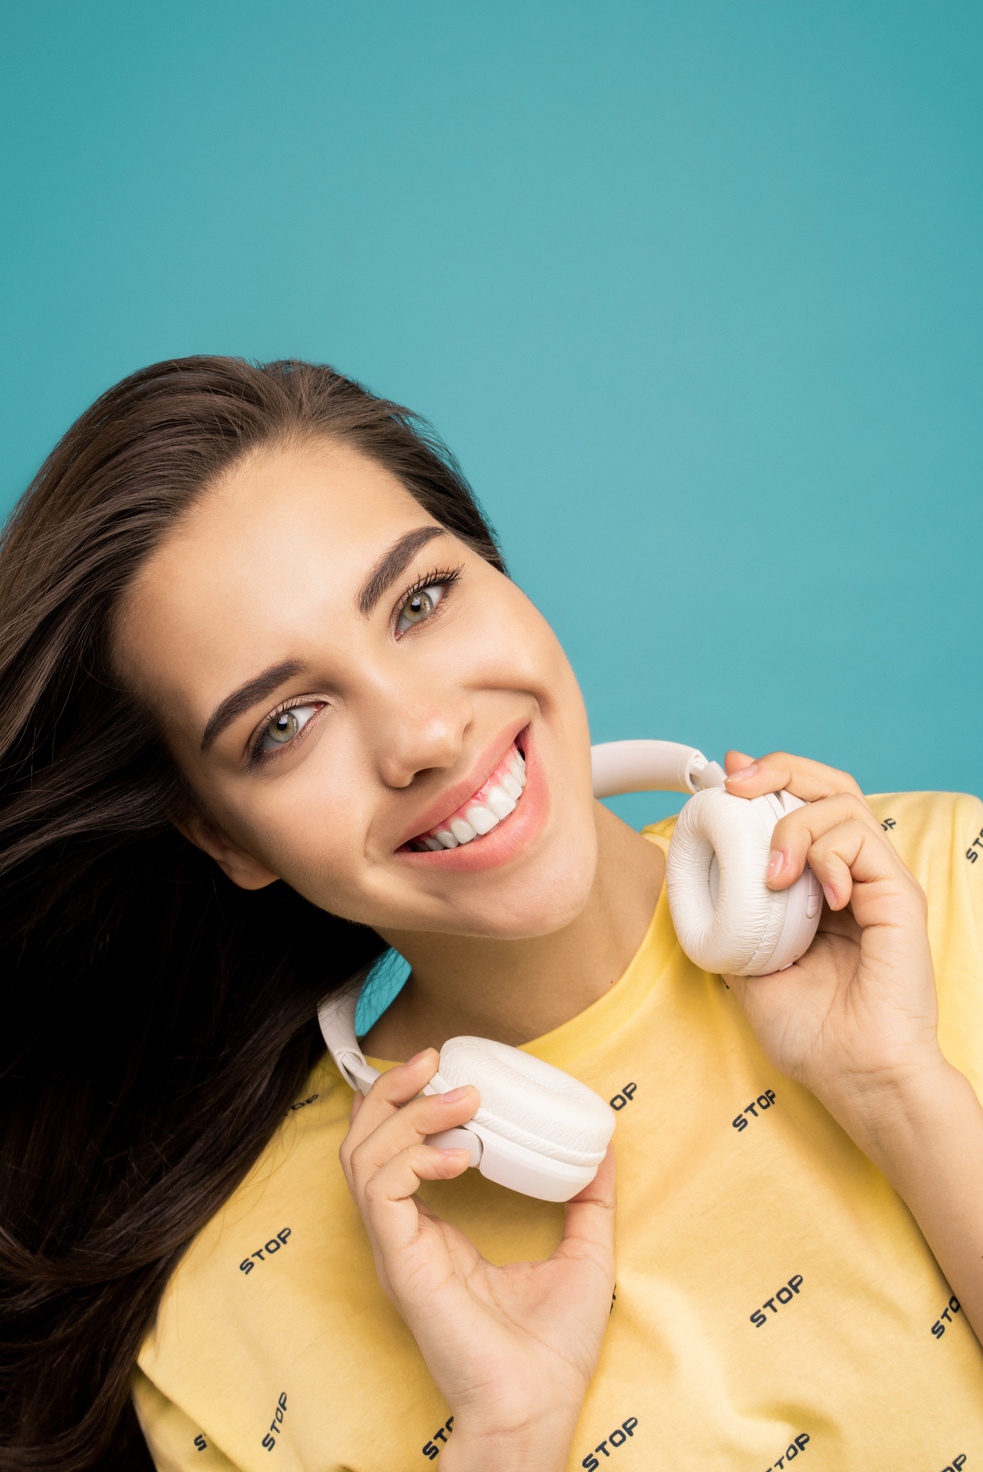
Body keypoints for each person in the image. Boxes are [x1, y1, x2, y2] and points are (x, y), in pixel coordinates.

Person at [1, 357, 981, 1472]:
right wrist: (507, 1436)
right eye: (286, 721)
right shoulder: (226, 1317)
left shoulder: (944, 882)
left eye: (419, 600)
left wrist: (907, 1098)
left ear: (495, 569)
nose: (421, 732)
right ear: (221, 836)